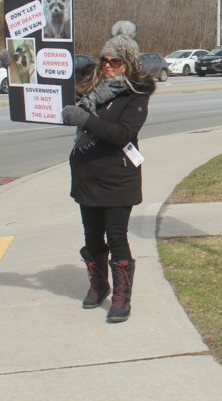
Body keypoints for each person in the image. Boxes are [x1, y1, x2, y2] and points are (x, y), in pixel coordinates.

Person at [61, 26, 155, 323]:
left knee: (116, 237)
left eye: (115, 61)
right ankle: (99, 284)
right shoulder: (88, 85)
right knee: (92, 237)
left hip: (118, 176)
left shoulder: (136, 93)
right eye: (104, 59)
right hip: (87, 173)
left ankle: (121, 297)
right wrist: (15, 65)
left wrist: (86, 120)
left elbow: (122, 134)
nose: (107, 66)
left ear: (128, 63)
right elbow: (50, 83)